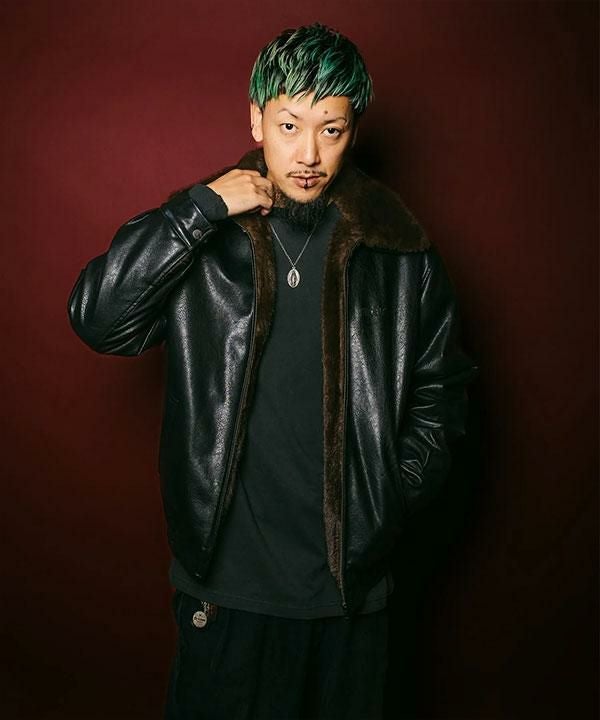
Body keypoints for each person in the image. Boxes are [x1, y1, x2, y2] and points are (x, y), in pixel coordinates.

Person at [68, 22, 478, 720]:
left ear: (354, 131)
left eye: (331, 130)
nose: (309, 154)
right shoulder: (206, 236)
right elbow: (98, 319)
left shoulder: (399, 254)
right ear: (256, 120)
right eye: (289, 126)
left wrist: (384, 498)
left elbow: (443, 394)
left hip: (348, 594)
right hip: (226, 592)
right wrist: (198, 211)